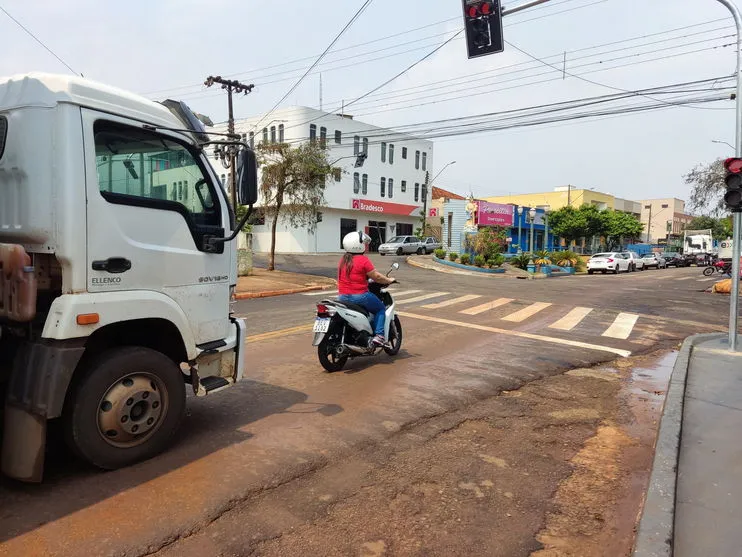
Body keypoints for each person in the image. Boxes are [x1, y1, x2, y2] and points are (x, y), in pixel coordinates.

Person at [338, 231, 396, 346]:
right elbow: (377, 277)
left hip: (342, 296)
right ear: (358, 244)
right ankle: (379, 335)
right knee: (380, 309)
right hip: (359, 296)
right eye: (363, 243)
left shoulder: (343, 259)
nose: (364, 245)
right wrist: (389, 280)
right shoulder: (363, 260)